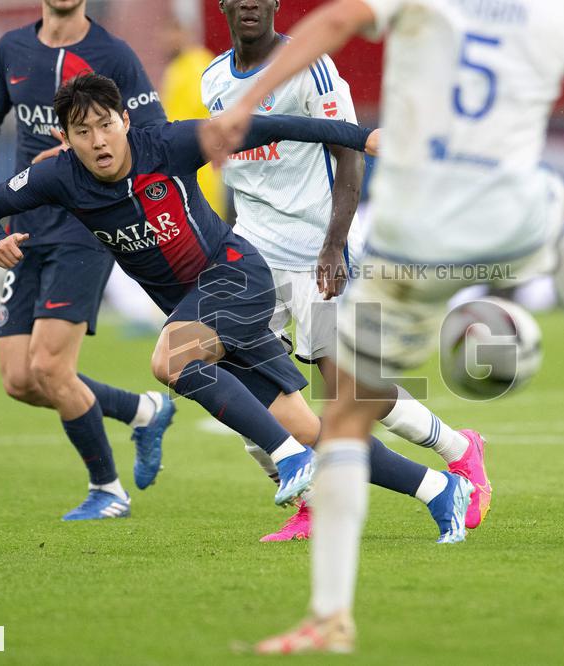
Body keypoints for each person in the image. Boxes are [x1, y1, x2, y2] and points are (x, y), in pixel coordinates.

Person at [200, 0, 564, 653]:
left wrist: (253, 111)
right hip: (501, 215)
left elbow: (332, 26)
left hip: (401, 236)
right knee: (557, 206)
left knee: (345, 422)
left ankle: (331, 612)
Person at [0, 74, 474, 544]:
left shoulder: (168, 143)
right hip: (202, 312)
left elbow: (274, 125)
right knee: (312, 429)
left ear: (124, 120)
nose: (98, 141)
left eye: (105, 124)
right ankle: (436, 489)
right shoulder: (58, 175)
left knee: (170, 360)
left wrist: (362, 137)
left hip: (235, 277)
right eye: (83, 131)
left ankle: (288, 457)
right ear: (66, 138)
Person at [204, 0, 490, 543]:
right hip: (251, 258)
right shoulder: (212, 79)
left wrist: (334, 245)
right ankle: (310, 504)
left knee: (351, 400)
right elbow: (232, 169)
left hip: (316, 253)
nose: (248, 3)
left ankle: (458, 449)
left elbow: (351, 154)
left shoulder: (311, 67)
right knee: (250, 398)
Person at [0, 0, 176, 521]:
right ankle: (140, 410)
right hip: (27, 226)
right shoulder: (13, 48)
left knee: (51, 366)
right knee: (20, 379)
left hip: (87, 227)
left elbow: (153, 134)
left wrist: (75, 157)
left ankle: (108, 491)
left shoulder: (113, 55)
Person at [159, 18, 227, 218]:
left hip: (200, 153)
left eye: (173, 35)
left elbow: (204, 109)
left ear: (185, 35)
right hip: (182, 154)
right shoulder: (177, 67)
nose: (168, 41)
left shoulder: (197, 63)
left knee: (206, 215)